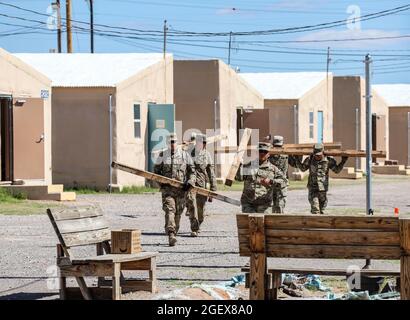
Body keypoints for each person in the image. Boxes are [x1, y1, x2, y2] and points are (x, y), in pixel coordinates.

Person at [154, 133, 196, 246]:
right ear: (167, 143)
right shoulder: (162, 155)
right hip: (168, 191)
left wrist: (190, 182)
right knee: (169, 210)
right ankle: (171, 234)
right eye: (170, 142)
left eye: (174, 142)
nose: (172, 144)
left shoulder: (185, 156)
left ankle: (174, 231)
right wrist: (161, 184)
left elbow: (192, 172)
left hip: (181, 191)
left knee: (178, 214)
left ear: (177, 143)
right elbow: (156, 173)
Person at [295, 143, 348, 214]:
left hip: (323, 189)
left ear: (323, 152)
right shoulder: (310, 159)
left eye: (319, 155)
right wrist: (296, 159)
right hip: (313, 188)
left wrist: (343, 161)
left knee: (322, 210)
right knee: (315, 209)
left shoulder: (328, 160)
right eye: (316, 155)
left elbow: (336, 170)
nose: (317, 157)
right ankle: (315, 224)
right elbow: (303, 168)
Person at [239, 142, 286, 213]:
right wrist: (238, 166)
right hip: (248, 205)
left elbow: (284, 182)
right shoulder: (248, 166)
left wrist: (271, 181)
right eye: (260, 151)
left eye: (265, 151)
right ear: (256, 153)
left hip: (265, 205)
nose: (262, 153)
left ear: (269, 154)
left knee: (264, 223)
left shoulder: (273, 169)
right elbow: (238, 178)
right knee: (249, 223)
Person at [187, 134, 217, 236]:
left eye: (204, 143)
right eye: (201, 142)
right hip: (191, 185)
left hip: (202, 186)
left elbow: (211, 173)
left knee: (201, 209)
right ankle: (194, 228)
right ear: (197, 142)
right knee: (192, 205)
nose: (203, 145)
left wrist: (213, 190)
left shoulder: (207, 155)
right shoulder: (189, 153)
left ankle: (199, 223)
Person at [269, 135, 289, 213]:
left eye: (279, 146)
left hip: (281, 186)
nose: (277, 148)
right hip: (270, 186)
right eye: (276, 146)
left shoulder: (286, 156)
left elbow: (296, 165)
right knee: (269, 208)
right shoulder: (268, 156)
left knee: (280, 208)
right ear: (273, 145)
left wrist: (297, 157)